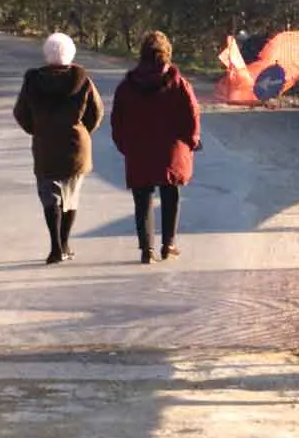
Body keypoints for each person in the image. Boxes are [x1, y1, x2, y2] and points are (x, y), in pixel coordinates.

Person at [111, 31, 202, 264]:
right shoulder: (179, 84)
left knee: (142, 199)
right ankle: (168, 244)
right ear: (166, 54)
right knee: (170, 194)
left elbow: (118, 119)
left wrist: (125, 145)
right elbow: (191, 114)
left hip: (139, 149)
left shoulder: (127, 86)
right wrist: (192, 141)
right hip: (171, 149)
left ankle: (146, 249)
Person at [13, 32, 103, 265]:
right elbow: (97, 111)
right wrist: (83, 131)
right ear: (70, 53)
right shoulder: (82, 79)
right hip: (76, 148)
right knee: (71, 197)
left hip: (45, 146)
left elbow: (20, 113)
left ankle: (55, 247)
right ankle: (65, 244)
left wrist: (37, 129)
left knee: (50, 197)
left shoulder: (32, 81)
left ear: (46, 54)